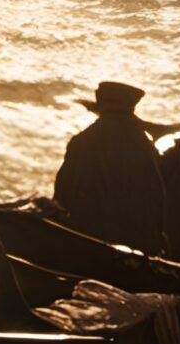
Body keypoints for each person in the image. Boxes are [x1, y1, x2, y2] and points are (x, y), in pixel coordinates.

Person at [53, 81, 167, 255]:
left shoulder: (83, 141)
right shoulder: (144, 146)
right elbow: (158, 197)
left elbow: (63, 195)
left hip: (91, 241)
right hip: (140, 243)